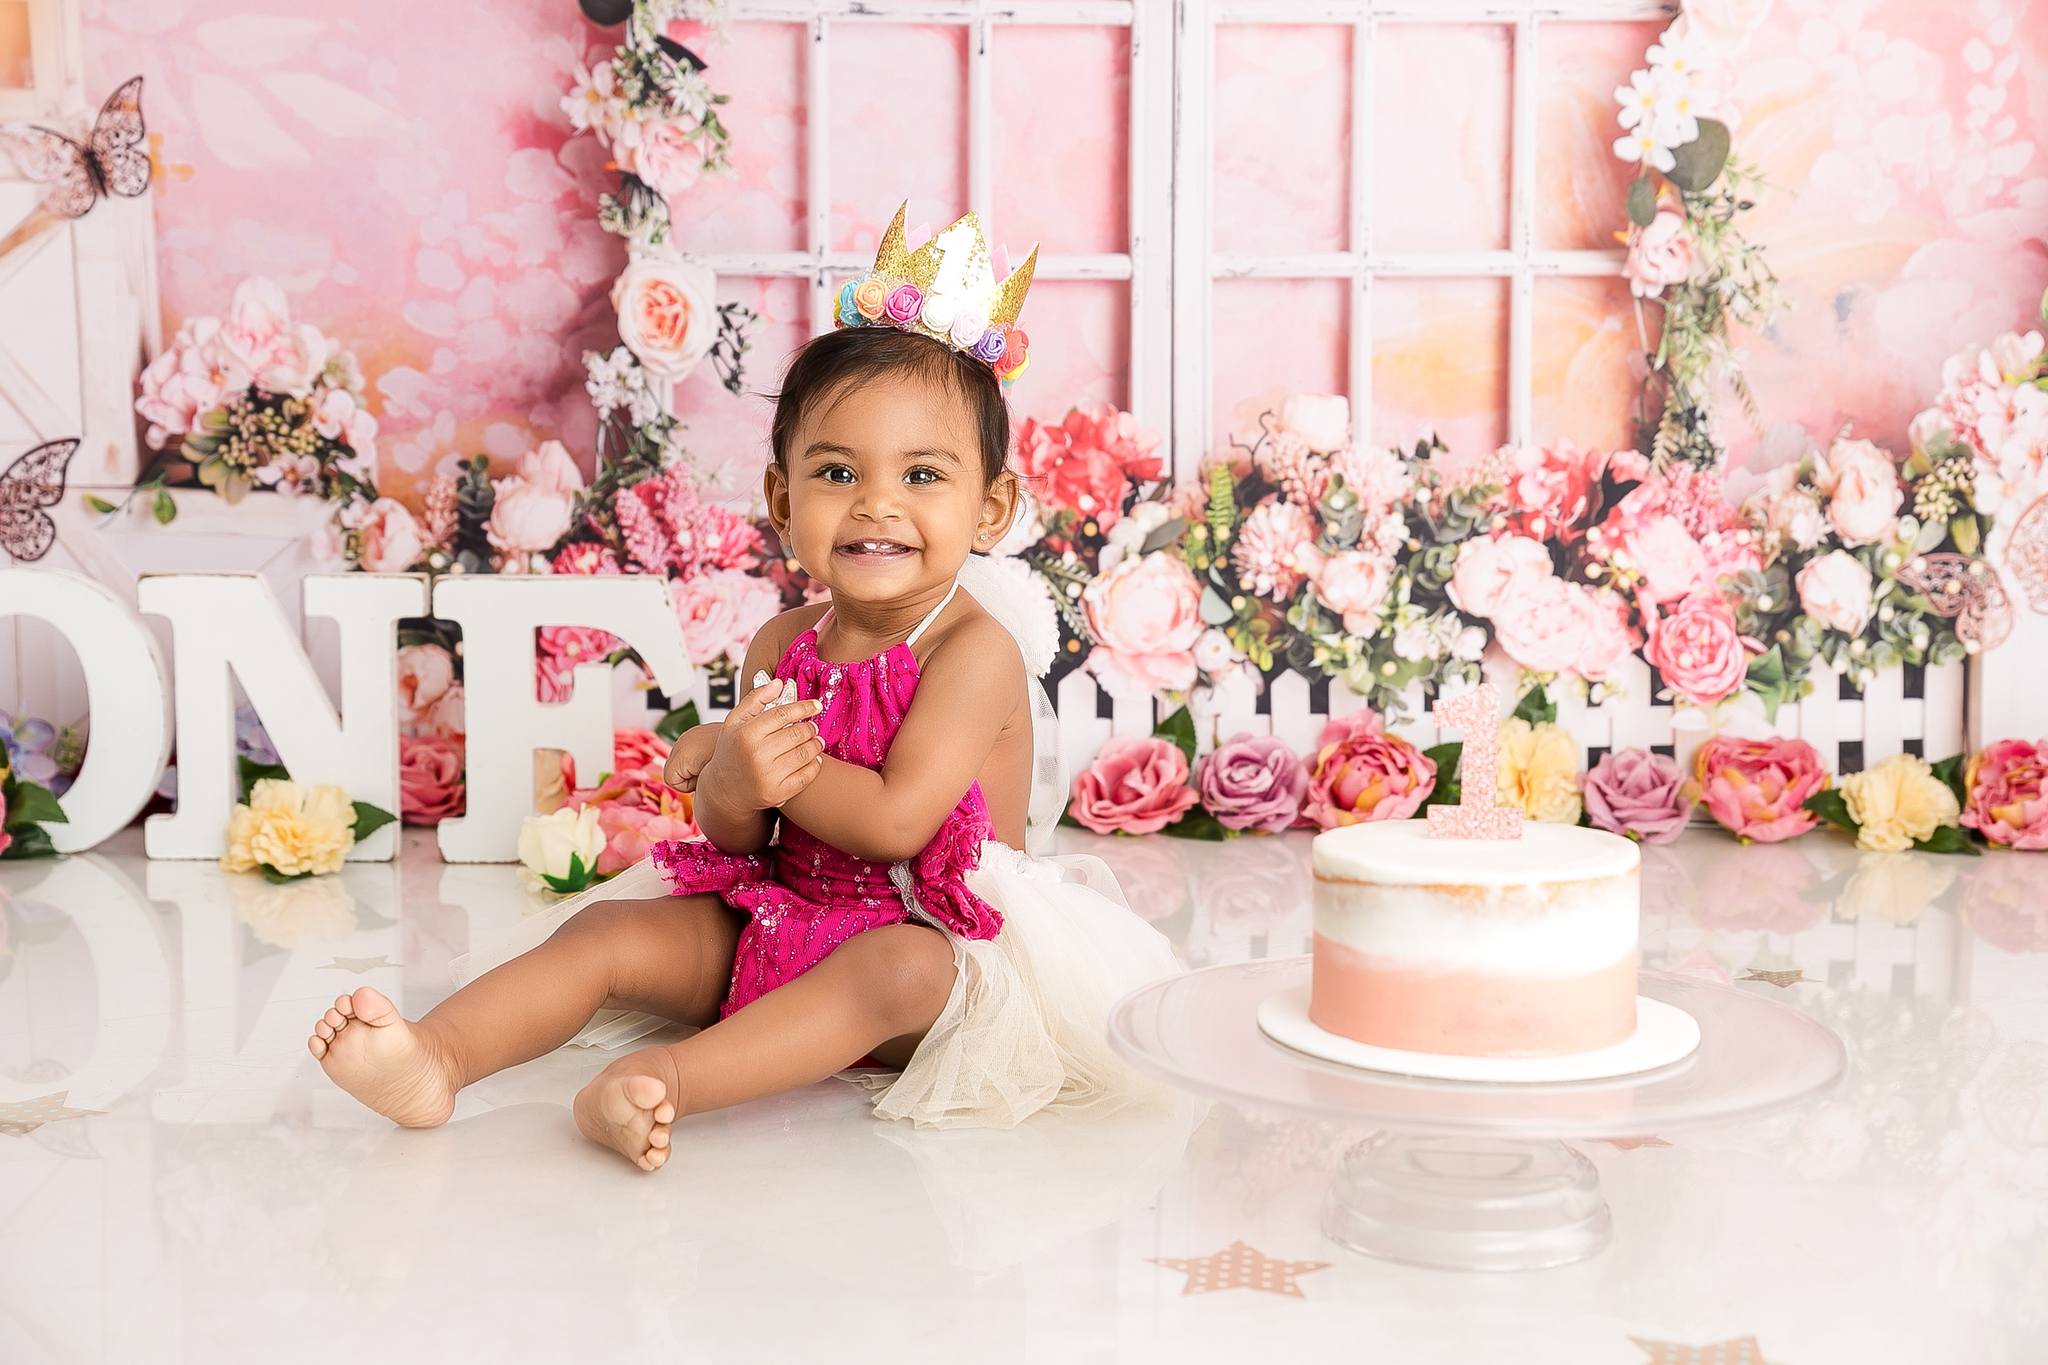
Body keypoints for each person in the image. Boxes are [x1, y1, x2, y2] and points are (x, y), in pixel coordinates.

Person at [305, 206, 1181, 1169]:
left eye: (923, 474)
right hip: (782, 910)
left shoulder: (975, 651)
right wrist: (727, 785)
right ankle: (438, 1056)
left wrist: (749, 756)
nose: (878, 502)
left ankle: (663, 1084)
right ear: (781, 501)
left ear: (991, 506)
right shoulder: (784, 639)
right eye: (838, 471)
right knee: (605, 930)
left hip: (929, 946)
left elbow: (897, 825)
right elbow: (742, 838)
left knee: (897, 969)